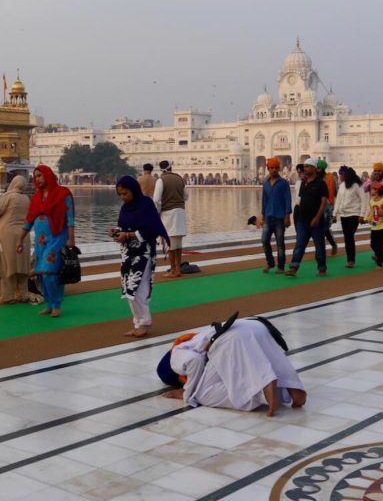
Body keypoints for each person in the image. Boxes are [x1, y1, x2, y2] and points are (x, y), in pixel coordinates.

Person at [158, 317, 306, 417]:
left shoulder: (178, 353)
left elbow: (194, 361)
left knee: (202, 395)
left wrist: (187, 394)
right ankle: (291, 389)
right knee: (270, 357)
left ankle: (260, 392)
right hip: (254, 325)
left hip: (227, 338)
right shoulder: (197, 339)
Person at [112, 175, 169, 338]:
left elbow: (152, 229)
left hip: (143, 254)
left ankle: (143, 322)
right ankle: (138, 322)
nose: (123, 197)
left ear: (133, 190)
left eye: (125, 194)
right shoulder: (125, 207)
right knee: (128, 289)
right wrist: (117, 233)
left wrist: (128, 235)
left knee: (137, 288)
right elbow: (124, 226)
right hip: (127, 254)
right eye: (120, 194)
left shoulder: (146, 204)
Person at [17, 165, 75, 317]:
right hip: (40, 242)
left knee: (50, 272)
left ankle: (56, 304)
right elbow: (29, 220)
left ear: (48, 175)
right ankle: (49, 303)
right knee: (41, 274)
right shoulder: (36, 197)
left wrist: (71, 238)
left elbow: (70, 218)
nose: (37, 179)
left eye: (40, 175)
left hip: (57, 239)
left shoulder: (63, 194)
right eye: (35, 176)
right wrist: (20, 238)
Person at [0, 176, 35, 304]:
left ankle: (8, 296)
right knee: (22, 264)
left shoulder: (9, 197)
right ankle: (23, 294)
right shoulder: (26, 199)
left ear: (13, 184)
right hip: (23, 235)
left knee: (7, 264)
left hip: (8, 234)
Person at [286, 158, 328, 277]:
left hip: (316, 221)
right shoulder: (304, 183)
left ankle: (321, 268)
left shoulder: (321, 183)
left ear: (314, 168)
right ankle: (294, 267)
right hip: (302, 221)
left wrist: (317, 217)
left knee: (319, 245)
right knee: (299, 244)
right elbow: (301, 200)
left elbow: (323, 202)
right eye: (304, 166)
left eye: (308, 166)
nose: (305, 168)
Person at [153, 160, 188, 278]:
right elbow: (186, 196)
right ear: (171, 167)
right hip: (180, 212)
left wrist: (157, 213)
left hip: (168, 213)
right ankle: (178, 268)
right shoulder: (180, 179)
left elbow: (156, 199)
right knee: (178, 243)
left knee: (169, 244)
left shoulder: (161, 180)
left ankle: (173, 270)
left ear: (161, 169)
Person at [258, 157, 292, 273]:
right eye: (271, 168)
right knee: (264, 240)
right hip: (268, 217)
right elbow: (264, 200)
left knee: (280, 243)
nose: (273, 170)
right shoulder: (266, 184)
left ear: (279, 169)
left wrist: (288, 216)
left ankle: (281, 267)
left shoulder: (283, 183)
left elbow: (288, 200)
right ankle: (270, 263)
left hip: (280, 218)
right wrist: (262, 215)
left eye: (276, 168)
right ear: (268, 169)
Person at [333, 167, 365, 268]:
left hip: (354, 214)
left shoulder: (356, 186)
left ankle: (351, 260)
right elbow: (338, 200)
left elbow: (363, 200)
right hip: (343, 215)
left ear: (346, 175)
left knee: (349, 236)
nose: (340, 176)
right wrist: (334, 214)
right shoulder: (342, 186)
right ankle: (349, 259)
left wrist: (362, 215)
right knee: (347, 237)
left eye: (341, 174)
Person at [316, 159, 339, 256]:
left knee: (325, 228)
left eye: (318, 168)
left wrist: (335, 211)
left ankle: (332, 245)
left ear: (322, 169)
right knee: (318, 228)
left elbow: (336, 192)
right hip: (317, 206)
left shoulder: (331, 178)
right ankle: (321, 250)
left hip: (328, 207)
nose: (317, 170)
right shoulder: (316, 179)